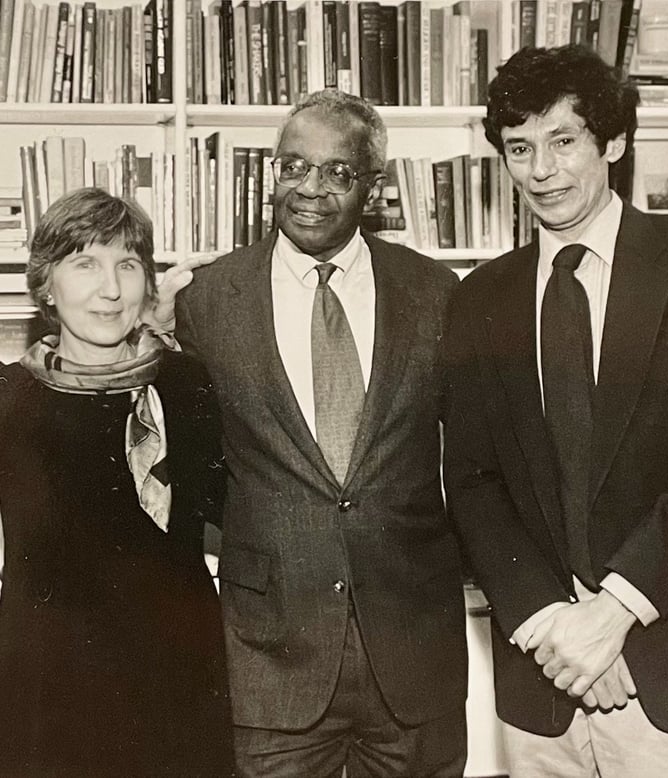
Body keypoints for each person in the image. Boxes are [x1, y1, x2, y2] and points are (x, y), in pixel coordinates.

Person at [443, 44, 668, 777]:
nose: (541, 170)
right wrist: (555, 628)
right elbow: (472, 481)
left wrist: (612, 613)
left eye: (564, 141)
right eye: (520, 148)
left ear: (613, 142)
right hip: (544, 684)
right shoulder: (478, 298)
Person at [170, 88, 468, 777]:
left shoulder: (437, 293)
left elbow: (476, 458)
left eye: (337, 172)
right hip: (270, 657)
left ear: (374, 187)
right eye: (293, 166)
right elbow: (195, 472)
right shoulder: (207, 301)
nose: (309, 188)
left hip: (413, 655)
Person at [0, 188, 235, 777]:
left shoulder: (185, 383)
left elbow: (232, 508)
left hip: (176, 686)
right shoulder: (9, 399)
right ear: (45, 284)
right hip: (49, 696)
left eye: (127, 265)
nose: (111, 289)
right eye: (85, 263)